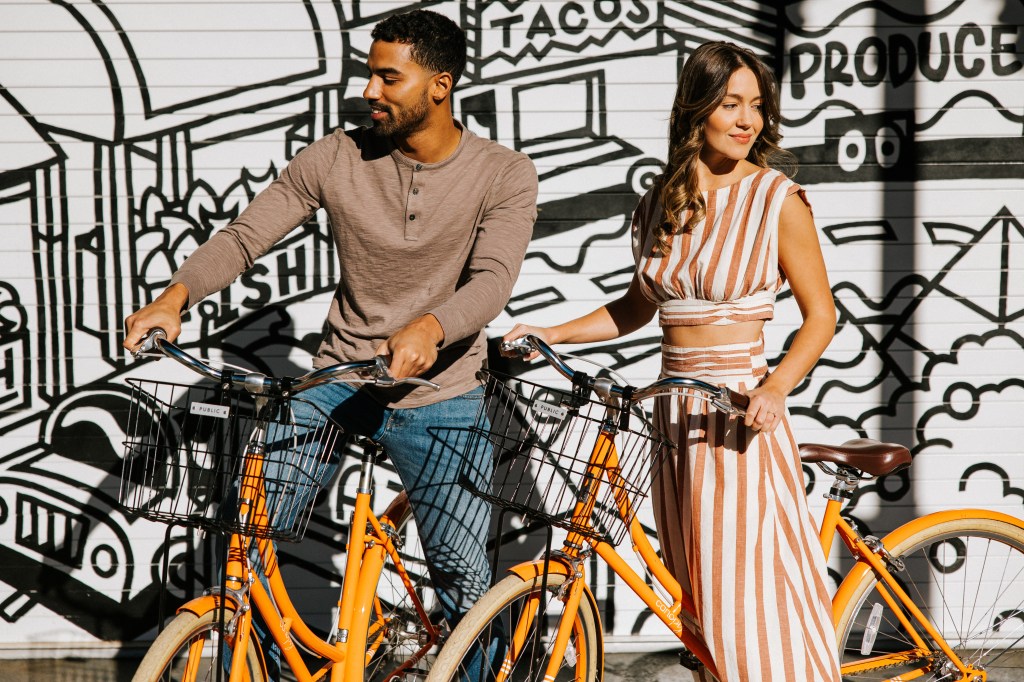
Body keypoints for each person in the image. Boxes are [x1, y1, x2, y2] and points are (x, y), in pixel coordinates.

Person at [123, 8, 538, 679]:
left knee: (464, 582)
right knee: (249, 534)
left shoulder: (504, 174)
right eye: (367, 75)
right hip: (337, 381)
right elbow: (245, 236)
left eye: (387, 77)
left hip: (443, 395)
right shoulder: (337, 155)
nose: (369, 91)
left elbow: (493, 279)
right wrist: (175, 298)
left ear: (440, 85)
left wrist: (432, 327)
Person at [503, 41, 840, 681]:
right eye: (730, 103)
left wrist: (775, 388)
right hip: (674, 415)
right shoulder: (661, 200)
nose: (747, 121)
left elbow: (821, 316)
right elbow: (637, 307)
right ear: (696, 110)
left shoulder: (776, 197)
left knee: (746, 600)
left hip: (739, 416)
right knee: (697, 595)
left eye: (758, 107)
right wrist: (551, 332)